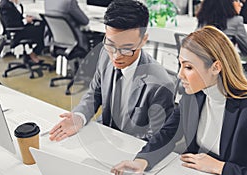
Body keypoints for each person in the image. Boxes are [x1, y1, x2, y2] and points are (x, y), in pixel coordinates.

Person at [111, 26, 247, 175]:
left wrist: (219, 167)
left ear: (216, 67)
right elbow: (168, 134)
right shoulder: (193, 96)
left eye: (188, 67)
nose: (179, 75)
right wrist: (141, 161)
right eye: (180, 65)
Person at [49, 0, 175, 142]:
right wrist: (80, 117)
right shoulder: (104, 54)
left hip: (131, 149)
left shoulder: (161, 84)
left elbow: (157, 139)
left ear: (143, 40)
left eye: (127, 49)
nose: (116, 56)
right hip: (103, 135)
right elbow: (94, 93)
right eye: (110, 44)